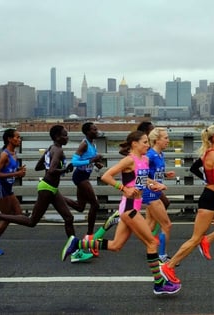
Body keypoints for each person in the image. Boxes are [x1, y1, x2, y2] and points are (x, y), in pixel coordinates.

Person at [61, 130, 180, 295]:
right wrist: (123, 188)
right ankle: (159, 284)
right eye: (144, 142)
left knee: (116, 246)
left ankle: (77, 244)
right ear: (134, 144)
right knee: (152, 244)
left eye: (147, 142)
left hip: (134, 207)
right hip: (129, 208)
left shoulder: (144, 159)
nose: (147, 145)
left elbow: (142, 179)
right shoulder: (128, 160)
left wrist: (155, 184)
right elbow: (106, 176)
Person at [0, 125, 93, 263]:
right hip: (47, 188)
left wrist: (56, 168)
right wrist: (65, 169)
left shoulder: (50, 148)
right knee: (31, 221)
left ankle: (76, 252)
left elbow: (38, 166)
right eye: (65, 135)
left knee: (68, 218)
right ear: (57, 137)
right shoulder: (57, 150)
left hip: (51, 188)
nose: (67, 137)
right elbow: (52, 170)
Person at [160, 125, 214, 285]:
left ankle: (208, 240)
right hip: (209, 199)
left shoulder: (208, 154)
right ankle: (169, 266)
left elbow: (209, 177)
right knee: (195, 239)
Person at [0, 128, 27, 256]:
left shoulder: (14, 153)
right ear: (9, 139)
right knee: (6, 218)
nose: (19, 139)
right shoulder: (4, 154)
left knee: (19, 215)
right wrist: (16, 173)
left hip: (8, 189)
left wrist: (18, 170)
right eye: (17, 137)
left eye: (19, 137)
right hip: (0, 188)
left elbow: (9, 169)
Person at [63, 122, 105, 257]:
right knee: (95, 204)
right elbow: (74, 162)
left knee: (81, 207)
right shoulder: (85, 144)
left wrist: (97, 163)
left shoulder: (92, 144)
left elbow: (89, 159)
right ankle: (90, 235)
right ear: (87, 132)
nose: (96, 131)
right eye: (94, 129)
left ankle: (58, 198)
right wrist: (92, 160)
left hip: (84, 175)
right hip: (80, 177)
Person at [142, 127, 176, 262]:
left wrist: (165, 175)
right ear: (156, 140)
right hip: (150, 193)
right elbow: (141, 176)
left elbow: (154, 173)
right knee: (167, 225)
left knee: (149, 225)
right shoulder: (149, 155)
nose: (168, 140)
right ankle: (161, 256)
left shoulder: (160, 154)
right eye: (165, 138)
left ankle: (151, 250)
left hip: (155, 192)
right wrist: (155, 184)